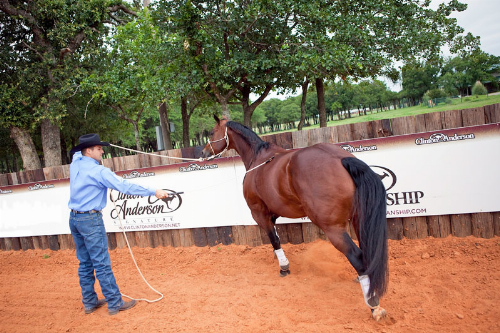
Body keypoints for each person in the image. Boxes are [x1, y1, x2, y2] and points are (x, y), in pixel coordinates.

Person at [68, 133, 169, 315]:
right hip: (90, 220)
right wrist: (153, 191)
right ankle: (114, 302)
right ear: (88, 151)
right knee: (101, 263)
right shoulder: (99, 171)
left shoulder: (76, 162)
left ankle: (89, 302)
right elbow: (125, 187)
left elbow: (76, 153)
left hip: (74, 219)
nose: (102, 151)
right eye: (98, 148)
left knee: (85, 263)